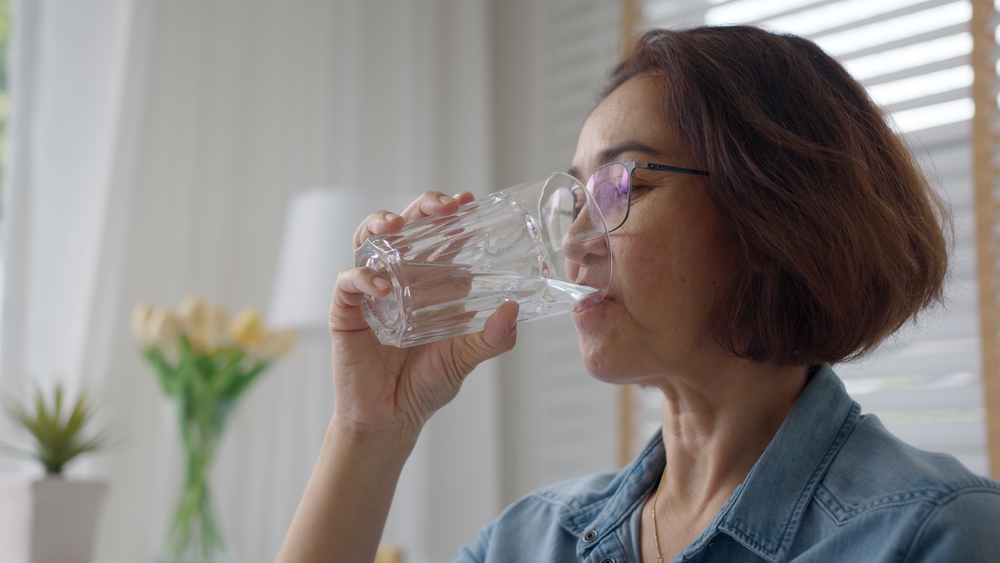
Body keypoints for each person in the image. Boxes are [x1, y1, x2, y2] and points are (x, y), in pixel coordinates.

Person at [276, 26, 1000, 563]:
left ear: (773, 214)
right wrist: (371, 430)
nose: (573, 239)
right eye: (574, 197)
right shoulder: (535, 541)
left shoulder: (931, 534)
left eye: (623, 186)